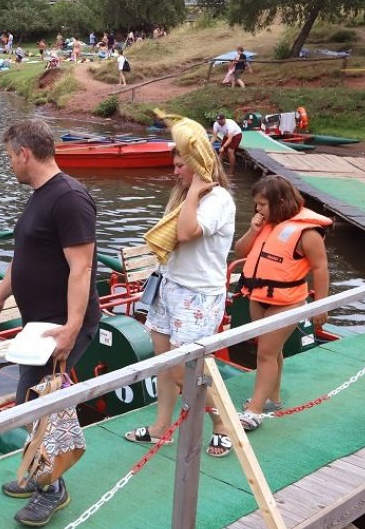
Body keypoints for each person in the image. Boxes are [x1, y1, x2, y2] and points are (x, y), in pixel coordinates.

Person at [0, 119, 100, 528]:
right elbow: (25, 256)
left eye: (10, 157)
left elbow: (81, 268)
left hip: (61, 328)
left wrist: (71, 327)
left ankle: (52, 487)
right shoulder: (40, 197)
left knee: (37, 403)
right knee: (34, 402)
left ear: (24, 153)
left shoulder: (69, 198)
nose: (10, 164)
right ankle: (38, 474)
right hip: (40, 326)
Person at [129, 114, 236, 458]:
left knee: (185, 369)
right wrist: (188, 193)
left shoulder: (216, 200)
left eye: (180, 166)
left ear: (198, 167)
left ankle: (223, 425)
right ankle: (162, 427)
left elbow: (188, 233)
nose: (174, 171)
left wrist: (193, 192)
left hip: (198, 295)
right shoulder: (183, 197)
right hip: (169, 287)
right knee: (164, 361)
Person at [234, 176, 330, 431]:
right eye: (256, 204)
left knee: (265, 353)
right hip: (259, 297)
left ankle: (253, 411)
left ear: (280, 202)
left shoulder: (307, 232)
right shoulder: (266, 223)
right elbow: (240, 252)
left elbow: (320, 269)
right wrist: (253, 229)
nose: (258, 209)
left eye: (262, 204)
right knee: (272, 351)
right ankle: (272, 399)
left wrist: (320, 306)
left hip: (287, 302)